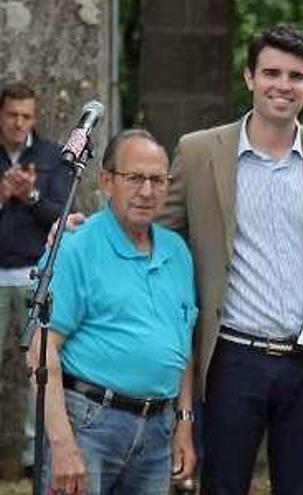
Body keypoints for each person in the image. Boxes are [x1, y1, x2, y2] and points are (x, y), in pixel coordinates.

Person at [157, 24, 303, 493]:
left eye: (296, 76)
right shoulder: (199, 151)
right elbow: (155, 231)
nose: (283, 85)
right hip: (231, 358)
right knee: (222, 486)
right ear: (249, 77)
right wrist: (91, 229)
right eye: (271, 72)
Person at [30, 129, 197, 495]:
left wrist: (184, 422)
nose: (147, 191)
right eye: (135, 178)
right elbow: (41, 351)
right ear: (107, 181)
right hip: (89, 424)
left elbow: (183, 347)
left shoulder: (177, 252)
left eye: (157, 180)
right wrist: (61, 444)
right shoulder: (76, 247)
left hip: (157, 430)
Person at [0, 82, 71, 477]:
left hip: (35, 275)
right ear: (0, 113)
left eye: (26, 116)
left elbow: (63, 215)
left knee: (38, 370)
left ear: (36, 116)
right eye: (12, 114)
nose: (19, 122)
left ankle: (32, 455)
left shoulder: (52, 156)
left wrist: (29, 196)